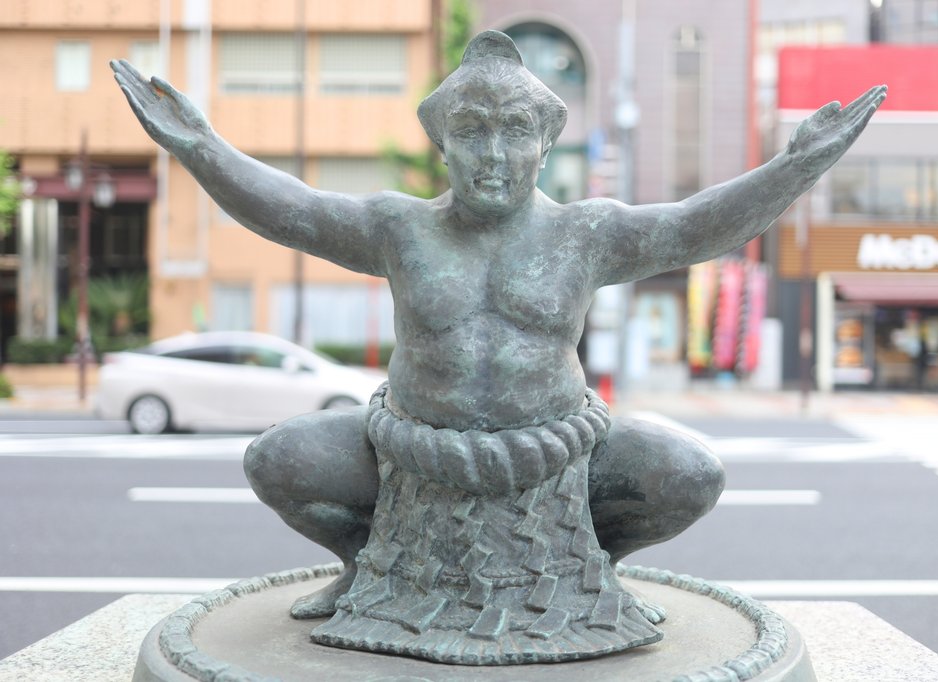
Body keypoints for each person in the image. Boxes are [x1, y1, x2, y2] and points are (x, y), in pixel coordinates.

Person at [112, 31, 886, 619]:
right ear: (441, 142)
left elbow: (692, 227)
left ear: (546, 142)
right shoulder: (399, 228)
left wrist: (794, 169)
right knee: (277, 461)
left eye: (515, 130)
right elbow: (297, 212)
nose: (492, 154)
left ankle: (590, 566)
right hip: (411, 452)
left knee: (690, 476)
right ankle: (368, 559)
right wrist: (203, 150)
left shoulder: (588, 232)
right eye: (472, 129)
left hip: (557, 457)